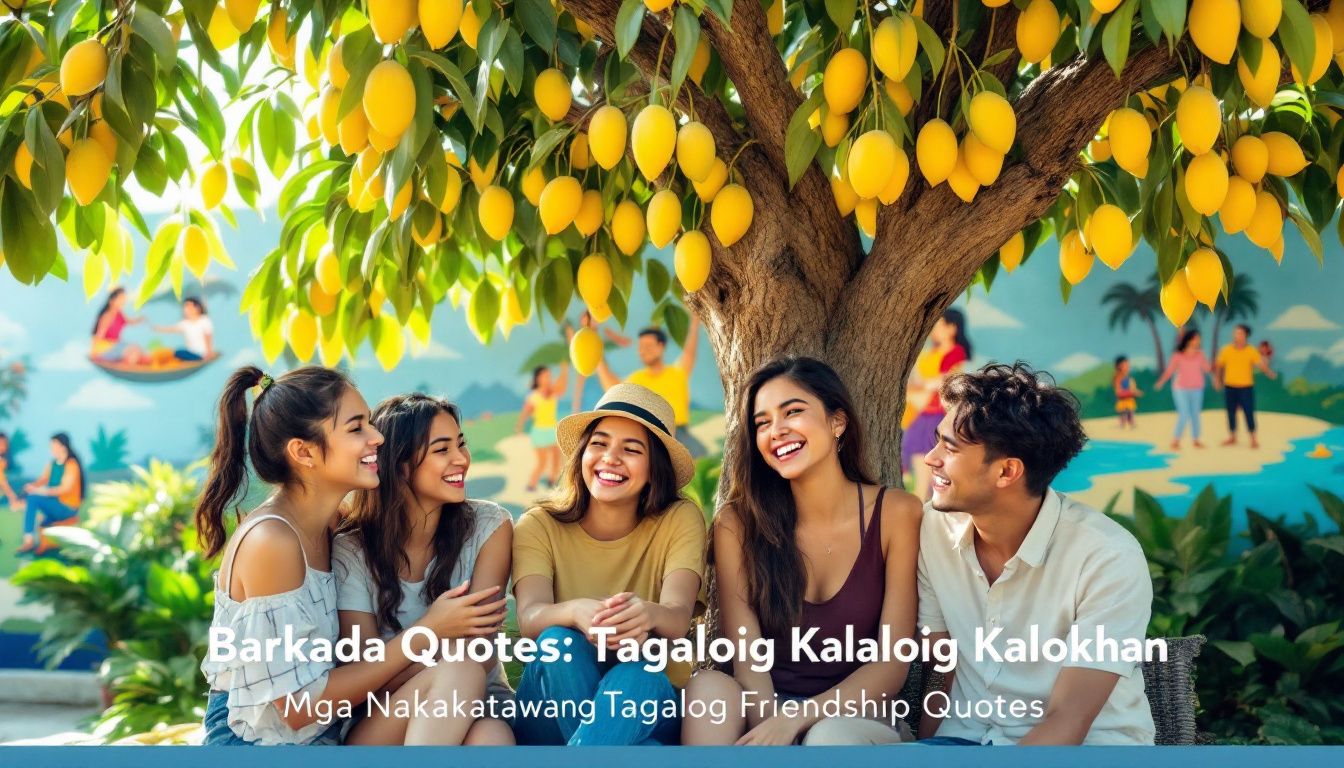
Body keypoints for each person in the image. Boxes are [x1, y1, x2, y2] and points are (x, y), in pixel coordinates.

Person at [196, 366, 469, 746]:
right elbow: (297, 709)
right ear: (303, 451)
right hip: (259, 743)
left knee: (463, 680)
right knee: (456, 674)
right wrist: (426, 633)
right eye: (357, 428)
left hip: (325, 733)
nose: (377, 437)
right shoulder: (271, 541)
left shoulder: (331, 525)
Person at [681, 358, 923, 746]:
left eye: (793, 412)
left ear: (837, 422)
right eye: (762, 423)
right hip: (765, 710)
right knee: (709, 689)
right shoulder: (738, 524)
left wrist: (796, 720)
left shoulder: (897, 513)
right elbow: (748, 656)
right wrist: (774, 731)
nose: (777, 431)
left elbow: (891, 665)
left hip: (854, 716)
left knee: (828, 738)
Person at [917, 363, 1155, 745]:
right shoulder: (932, 530)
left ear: (1007, 471)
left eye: (950, 448)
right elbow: (944, 672)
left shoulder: (1108, 558)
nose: (930, 458)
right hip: (969, 738)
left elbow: (1068, 722)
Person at [511, 383, 707, 746]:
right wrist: (577, 612)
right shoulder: (538, 524)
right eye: (599, 444)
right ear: (582, 453)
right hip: (549, 708)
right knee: (557, 643)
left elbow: (678, 616)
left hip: (644, 701)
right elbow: (529, 619)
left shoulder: (679, 519)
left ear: (654, 469)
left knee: (640, 676)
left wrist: (646, 615)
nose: (610, 458)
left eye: (631, 449)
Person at [334, 394, 514, 745]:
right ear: (400, 464)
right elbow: (363, 678)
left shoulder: (490, 526)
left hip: (479, 708)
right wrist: (434, 629)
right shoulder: (352, 549)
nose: (461, 459)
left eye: (461, 445)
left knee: (492, 737)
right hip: (382, 721)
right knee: (458, 669)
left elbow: (480, 652)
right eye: (442, 449)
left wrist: (406, 659)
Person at [595, 316, 707, 458]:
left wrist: (695, 321)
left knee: (701, 456)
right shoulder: (636, 379)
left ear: (661, 347)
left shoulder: (677, 372)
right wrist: (595, 348)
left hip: (679, 433)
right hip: (649, 434)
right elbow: (612, 386)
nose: (643, 351)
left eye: (648, 346)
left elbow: (690, 353)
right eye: (640, 347)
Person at [903, 309, 972, 499]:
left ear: (952, 328)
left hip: (939, 415)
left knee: (936, 471)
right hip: (922, 414)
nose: (934, 329)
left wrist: (925, 385)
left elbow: (947, 381)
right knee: (920, 474)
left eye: (939, 324)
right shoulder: (928, 354)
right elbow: (915, 382)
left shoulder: (955, 354)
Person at [15, 433, 84, 555]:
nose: (51, 449)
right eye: (50, 446)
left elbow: (64, 489)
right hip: (56, 505)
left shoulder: (71, 465)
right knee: (42, 518)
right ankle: (41, 543)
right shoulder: (52, 464)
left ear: (63, 447)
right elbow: (43, 479)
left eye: (54, 446)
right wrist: (32, 486)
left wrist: (40, 491)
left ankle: (29, 541)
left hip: (67, 507)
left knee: (33, 499)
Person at [1215, 324, 1277, 449]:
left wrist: (1269, 373)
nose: (1237, 335)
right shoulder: (1226, 349)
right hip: (1229, 386)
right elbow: (1219, 366)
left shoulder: (1251, 351)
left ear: (1245, 336)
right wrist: (1218, 380)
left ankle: (1253, 439)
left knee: (1249, 412)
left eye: (1240, 333)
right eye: (1235, 333)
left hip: (1246, 387)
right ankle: (1232, 437)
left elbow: (1260, 364)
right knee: (1231, 413)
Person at [1154, 329, 1214, 450]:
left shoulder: (1200, 354)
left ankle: (1196, 439)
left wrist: (1215, 375)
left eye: (1199, 339)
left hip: (1197, 389)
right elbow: (1170, 370)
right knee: (1184, 414)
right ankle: (1176, 440)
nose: (1198, 341)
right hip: (1180, 389)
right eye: (1196, 338)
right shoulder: (1178, 355)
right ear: (1189, 339)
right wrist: (1161, 382)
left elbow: (1207, 369)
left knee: (1195, 414)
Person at [517, 364, 569, 492]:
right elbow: (525, 413)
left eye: (549, 375)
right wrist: (519, 428)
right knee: (542, 462)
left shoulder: (553, 391)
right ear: (538, 378)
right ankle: (531, 485)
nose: (549, 378)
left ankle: (551, 481)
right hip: (539, 432)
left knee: (557, 459)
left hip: (552, 430)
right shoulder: (533, 396)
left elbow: (562, 387)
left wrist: (564, 370)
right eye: (546, 375)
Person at [570, 311, 632, 413]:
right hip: (591, 374)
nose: (588, 323)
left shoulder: (602, 333)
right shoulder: (581, 338)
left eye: (591, 320)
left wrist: (621, 341)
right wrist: (576, 402)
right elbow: (581, 376)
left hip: (600, 372)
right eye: (585, 320)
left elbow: (622, 341)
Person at [90, 287, 146, 365]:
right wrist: (94, 352)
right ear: (111, 301)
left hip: (116, 345)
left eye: (124, 298)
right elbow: (99, 334)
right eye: (121, 298)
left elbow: (130, 321)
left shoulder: (119, 314)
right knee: (133, 352)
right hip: (106, 347)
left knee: (137, 349)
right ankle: (125, 365)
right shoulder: (107, 316)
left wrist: (141, 319)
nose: (123, 301)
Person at [153, 297, 216, 361]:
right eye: (185, 307)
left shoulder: (204, 320)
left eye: (189, 306)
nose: (186, 309)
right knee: (177, 352)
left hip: (202, 354)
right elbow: (171, 329)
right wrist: (158, 328)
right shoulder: (185, 324)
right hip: (190, 352)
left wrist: (209, 352)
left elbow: (208, 337)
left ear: (197, 308)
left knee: (178, 352)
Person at [1113, 356, 1142, 430]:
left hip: (1129, 400)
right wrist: (1132, 392)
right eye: (1125, 365)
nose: (1127, 367)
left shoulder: (1129, 377)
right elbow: (1118, 392)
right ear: (1119, 366)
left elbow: (1132, 387)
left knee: (1130, 412)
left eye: (1128, 365)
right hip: (1123, 400)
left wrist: (1135, 391)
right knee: (1123, 414)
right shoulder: (1118, 377)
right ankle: (1122, 424)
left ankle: (1131, 423)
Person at [0, 431, 18, 509]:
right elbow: (2, 480)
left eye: (5, 444)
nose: (4, 447)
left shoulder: (2, 460)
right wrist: (11, 495)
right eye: (2, 444)